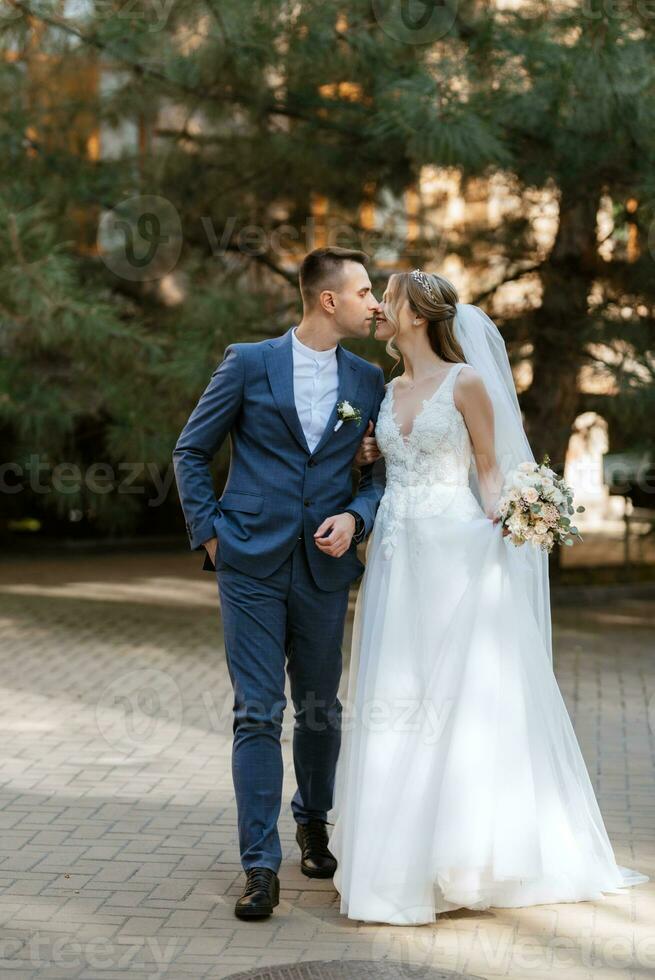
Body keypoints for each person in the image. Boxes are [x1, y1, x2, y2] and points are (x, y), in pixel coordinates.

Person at [328, 269, 649, 925]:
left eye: (386, 299)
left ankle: (464, 857)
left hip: (453, 549)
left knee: (458, 694)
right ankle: (396, 851)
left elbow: (490, 469)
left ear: (417, 313)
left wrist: (518, 518)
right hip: (395, 554)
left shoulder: (466, 383)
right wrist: (366, 456)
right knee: (400, 689)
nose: (379, 308)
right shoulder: (387, 391)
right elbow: (389, 464)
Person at [172, 246, 386, 920]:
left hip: (325, 567)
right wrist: (210, 534)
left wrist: (357, 516)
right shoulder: (248, 362)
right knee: (255, 712)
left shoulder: (367, 379)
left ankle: (313, 822)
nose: (373, 302)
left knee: (321, 707)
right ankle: (258, 865)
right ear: (328, 300)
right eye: (362, 292)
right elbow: (190, 449)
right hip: (249, 565)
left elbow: (379, 473)